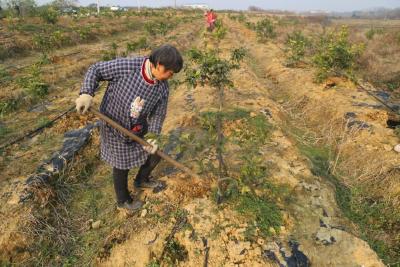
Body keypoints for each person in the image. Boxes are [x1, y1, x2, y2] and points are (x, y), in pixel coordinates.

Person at [75, 44, 183, 213]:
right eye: (170, 72)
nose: (171, 76)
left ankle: (141, 179)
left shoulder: (162, 87)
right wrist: (86, 93)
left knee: (154, 154)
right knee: (121, 163)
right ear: (159, 64)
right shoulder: (128, 67)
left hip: (137, 127)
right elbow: (96, 69)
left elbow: (158, 114)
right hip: (114, 125)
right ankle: (123, 201)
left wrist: (153, 135)